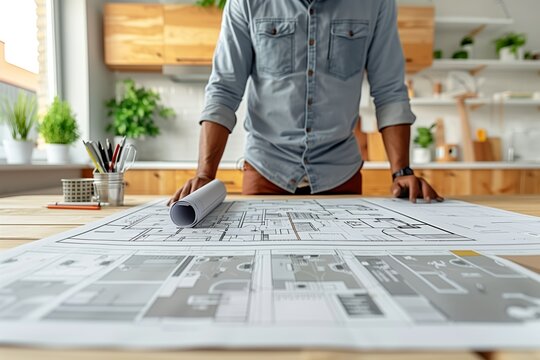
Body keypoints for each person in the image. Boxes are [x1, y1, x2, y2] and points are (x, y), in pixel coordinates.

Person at [169, 0, 443, 205]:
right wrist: (205, 174)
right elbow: (224, 89)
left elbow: (389, 90)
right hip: (266, 171)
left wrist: (402, 172)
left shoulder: (374, 3)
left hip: (340, 174)